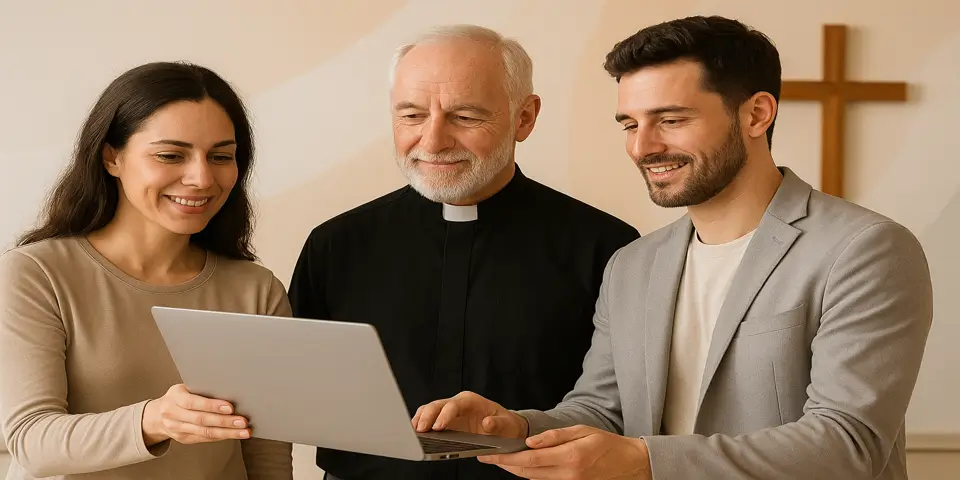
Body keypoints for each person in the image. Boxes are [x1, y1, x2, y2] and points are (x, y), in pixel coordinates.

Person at [412, 15, 933, 480]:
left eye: (671, 119)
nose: (643, 147)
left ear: (756, 115)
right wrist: (512, 426)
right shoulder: (633, 263)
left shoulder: (865, 250)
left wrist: (645, 462)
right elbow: (603, 411)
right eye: (630, 124)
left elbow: (848, 444)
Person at [288, 24, 640, 480]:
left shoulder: (607, 246)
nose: (433, 141)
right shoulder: (334, 245)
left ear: (525, 118)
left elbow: (621, 408)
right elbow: (295, 394)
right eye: (412, 116)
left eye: (466, 117)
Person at [0, 62, 293, 479]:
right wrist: (153, 420)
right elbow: (33, 441)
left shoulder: (256, 291)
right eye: (170, 155)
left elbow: (266, 457)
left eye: (221, 156)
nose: (201, 177)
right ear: (111, 156)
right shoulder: (36, 274)